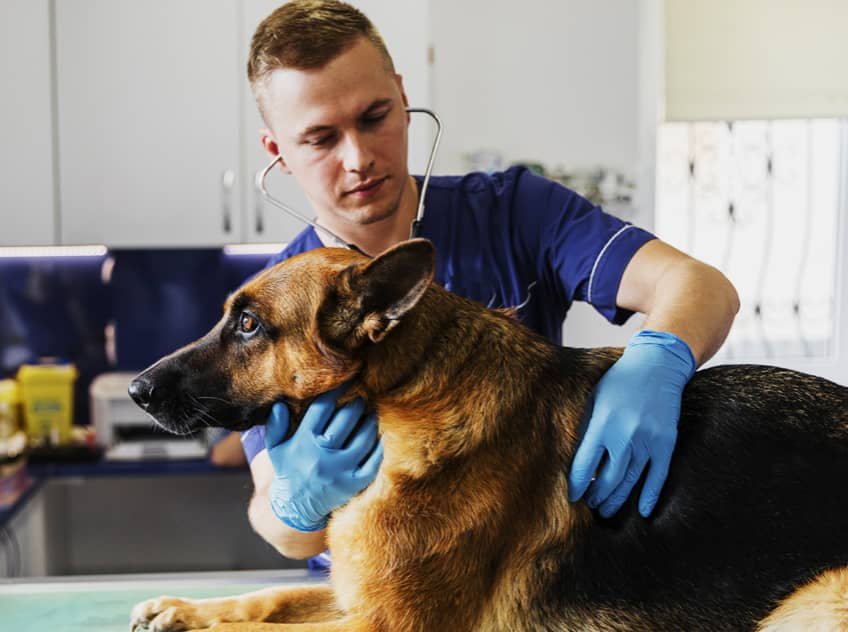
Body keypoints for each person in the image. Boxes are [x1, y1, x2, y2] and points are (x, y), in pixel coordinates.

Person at [238, 0, 739, 566]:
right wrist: (297, 500)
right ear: (278, 152)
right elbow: (280, 530)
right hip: (375, 590)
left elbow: (700, 285)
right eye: (321, 139)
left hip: (521, 569)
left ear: (402, 98)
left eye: (374, 116)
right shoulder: (266, 312)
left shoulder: (515, 212)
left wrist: (656, 361)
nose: (358, 157)